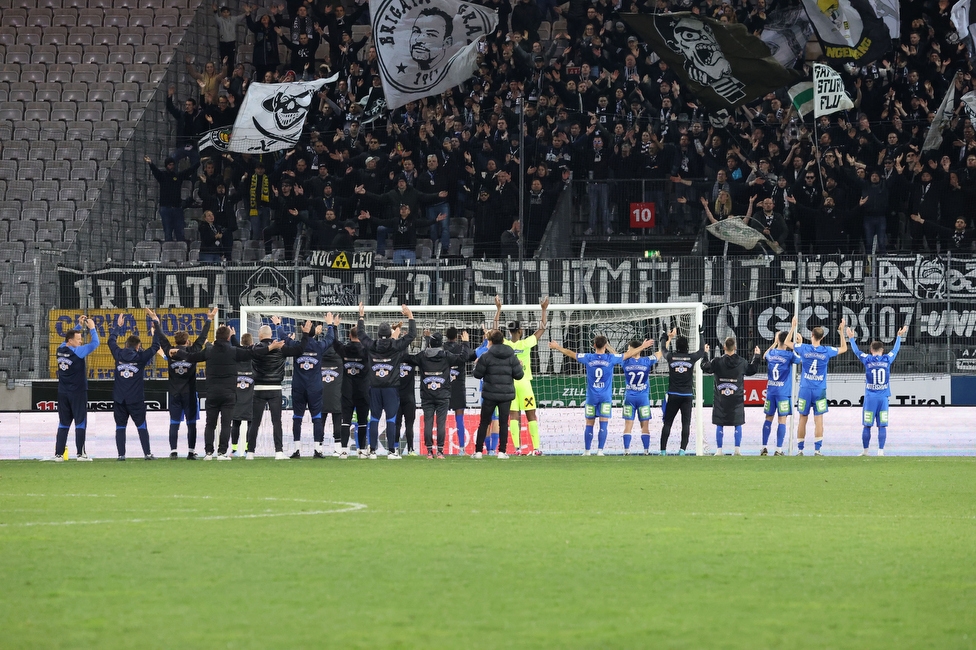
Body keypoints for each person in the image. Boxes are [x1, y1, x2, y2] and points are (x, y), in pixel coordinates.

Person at [173, 326, 283, 459]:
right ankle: (222, 452)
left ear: (216, 337)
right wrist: (270, 348)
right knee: (226, 424)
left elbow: (192, 357)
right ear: (228, 337)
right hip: (229, 394)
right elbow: (253, 353)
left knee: (210, 424)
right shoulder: (233, 351)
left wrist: (178, 352)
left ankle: (208, 453)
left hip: (212, 392)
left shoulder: (209, 351)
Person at [549, 335, 650, 455]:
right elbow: (628, 355)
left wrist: (557, 347)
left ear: (594, 345)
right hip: (605, 397)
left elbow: (571, 353)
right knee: (604, 423)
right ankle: (600, 451)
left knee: (589, 424)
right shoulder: (611, 358)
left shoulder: (588, 357)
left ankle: (587, 451)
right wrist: (643, 347)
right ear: (605, 346)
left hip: (591, 397)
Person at [149, 306, 215, 460]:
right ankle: (191, 452)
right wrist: (209, 319)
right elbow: (202, 337)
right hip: (189, 393)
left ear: (175, 341)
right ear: (187, 341)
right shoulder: (192, 351)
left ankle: (173, 451)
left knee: (174, 423)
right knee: (191, 423)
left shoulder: (169, 351)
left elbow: (161, 338)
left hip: (174, 394)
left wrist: (156, 322)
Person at [357, 302, 417, 459]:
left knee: (375, 418)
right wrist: (410, 316)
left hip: (375, 387)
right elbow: (411, 335)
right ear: (390, 335)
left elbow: (361, 335)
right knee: (391, 418)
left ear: (377, 334)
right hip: (391, 387)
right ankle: (392, 451)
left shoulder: (371, 345)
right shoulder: (396, 346)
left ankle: (373, 451)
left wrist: (361, 316)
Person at [493, 295, 549, 455]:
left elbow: (495, 330)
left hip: (509, 385)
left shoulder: (505, 343)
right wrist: (544, 310)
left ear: (509, 331)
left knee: (514, 416)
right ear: (520, 330)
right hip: (524, 383)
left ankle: (517, 449)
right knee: (531, 414)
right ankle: (536, 448)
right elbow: (542, 329)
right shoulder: (526, 343)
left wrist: (498, 309)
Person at [249, 319, 311, 459]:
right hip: (275, 388)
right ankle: (279, 452)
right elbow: (299, 350)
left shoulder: (255, 348)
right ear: (271, 335)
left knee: (255, 422)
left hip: (258, 389)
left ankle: (250, 452)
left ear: (259, 336)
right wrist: (305, 334)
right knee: (276, 421)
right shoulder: (280, 348)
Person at [44, 315, 100, 462]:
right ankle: (81, 454)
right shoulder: (78, 352)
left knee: (63, 423)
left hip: (63, 392)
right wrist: (92, 328)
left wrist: (78, 326)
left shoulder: (60, 349)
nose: (80, 341)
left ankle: (58, 454)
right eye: (78, 339)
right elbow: (95, 343)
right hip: (78, 392)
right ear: (71, 341)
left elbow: (66, 340)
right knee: (80, 422)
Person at [848, 324, 908, 456]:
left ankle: (865, 451)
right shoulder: (887, 359)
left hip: (870, 398)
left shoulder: (867, 359)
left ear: (870, 350)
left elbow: (857, 352)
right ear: (882, 350)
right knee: (882, 425)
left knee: (867, 425)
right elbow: (896, 350)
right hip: (883, 399)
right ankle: (880, 451)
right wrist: (899, 337)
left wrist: (851, 339)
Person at [108, 313, 162, 460]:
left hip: (119, 399)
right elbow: (156, 346)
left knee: (120, 427)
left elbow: (111, 341)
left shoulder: (118, 354)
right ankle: (147, 453)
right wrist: (156, 325)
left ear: (126, 345)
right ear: (138, 347)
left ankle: (121, 455)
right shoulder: (141, 357)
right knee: (141, 426)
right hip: (136, 399)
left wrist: (118, 326)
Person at [409, 331, 468, 458]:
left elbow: (409, 359)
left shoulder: (422, 356)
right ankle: (440, 451)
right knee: (441, 422)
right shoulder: (446, 355)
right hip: (443, 394)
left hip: (427, 394)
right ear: (441, 343)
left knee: (428, 422)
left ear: (430, 343)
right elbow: (463, 358)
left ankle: (429, 451)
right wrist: (465, 343)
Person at [793, 320, 848, 456]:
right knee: (819, 420)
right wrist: (841, 332)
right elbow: (844, 348)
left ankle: (800, 449)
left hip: (805, 388)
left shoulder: (804, 348)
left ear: (811, 335)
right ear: (822, 337)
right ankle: (817, 450)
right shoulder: (827, 350)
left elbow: (789, 344)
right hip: (819, 390)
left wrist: (794, 330)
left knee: (802, 419)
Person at [701, 337, 762, 456]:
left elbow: (704, 366)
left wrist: (705, 354)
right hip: (737, 399)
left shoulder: (717, 361)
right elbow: (752, 369)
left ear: (724, 347)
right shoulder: (742, 362)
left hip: (721, 398)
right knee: (737, 423)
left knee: (720, 423)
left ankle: (719, 450)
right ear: (735, 347)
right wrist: (757, 356)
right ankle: (737, 450)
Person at [286, 316, 336, 458]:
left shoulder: (296, 345)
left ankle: (296, 449)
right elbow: (330, 339)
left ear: (303, 330)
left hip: (299, 387)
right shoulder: (319, 346)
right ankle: (317, 449)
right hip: (315, 387)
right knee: (317, 418)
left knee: (297, 417)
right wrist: (330, 325)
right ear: (315, 333)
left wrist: (278, 325)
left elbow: (284, 338)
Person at [472, 329, 524, 459]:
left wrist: (477, 365)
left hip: (489, 394)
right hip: (505, 395)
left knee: (484, 422)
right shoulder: (511, 356)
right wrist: (519, 366)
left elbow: (477, 375)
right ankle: (502, 452)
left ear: (491, 341)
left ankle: (478, 452)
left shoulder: (486, 356)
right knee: (503, 423)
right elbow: (519, 375)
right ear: (503, 340)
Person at [657, 327, 706, 455]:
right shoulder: (691, 358)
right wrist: (701, 334)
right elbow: (702, 351)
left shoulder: (671, 357)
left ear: (677, 346)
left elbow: (663, 349)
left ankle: (663, 451)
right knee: (686, 424)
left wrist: (664, 336)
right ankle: (682, 450)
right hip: (687, 395)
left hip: (673, 394)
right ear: (687, 347)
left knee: (668, 423)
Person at [333, 317, 370, 458]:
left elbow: (334, 342)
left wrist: (334, 327)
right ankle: (361, 450)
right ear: (361, 336)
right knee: (362, 422)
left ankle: (343, 450)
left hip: (347, 390)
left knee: (346, 421)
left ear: (349, 335)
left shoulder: (344, 350)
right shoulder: (366, 351)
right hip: (363, 391)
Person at [760, 317, 797, 456]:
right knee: (782, 419)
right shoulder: (789, 355)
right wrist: (797, 343)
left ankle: (763, 447)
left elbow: (764, 356)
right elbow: (800, 359)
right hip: (783, 393)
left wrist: (774, 344)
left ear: (778, 340)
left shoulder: (772, 353)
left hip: (771, 392)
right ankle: (779, 449)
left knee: (768, 418)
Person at [145, 155, 199, 242]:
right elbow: (155, 171)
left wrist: (199, 162)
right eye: (170, 165)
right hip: (166, 209)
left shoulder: (178, 176)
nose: (171, 166)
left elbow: (190, 170)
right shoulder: (162, 176)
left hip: (177, 209)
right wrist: (150, 163)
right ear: (166, 166)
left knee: (180, 232)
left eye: (173, 164)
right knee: (168, 232)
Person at [621, 338, 658, 455]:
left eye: (628, 349)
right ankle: (646, 451)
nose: (627, 351)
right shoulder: (647, 361)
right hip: (643, 398)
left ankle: (626, 451)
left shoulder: (625, 362)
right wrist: (667, 340)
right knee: (645, 426)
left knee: (628, 425)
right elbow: (660, 353)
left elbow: (615, 355)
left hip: (629, 398)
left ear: (632, 349)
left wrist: (607, 347)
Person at [443, 327, 477, 454]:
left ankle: (440, 448)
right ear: (457, 337)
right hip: (459, 386)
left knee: (442, 418)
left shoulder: (442, 349)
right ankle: (462, 449)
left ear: (446, 336)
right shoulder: (462, 348)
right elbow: (473, 356)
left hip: (444, 387)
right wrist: (466, 343)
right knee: (459, 419)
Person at [319, 332, 345, 457]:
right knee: (337, 422)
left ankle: (318, 447)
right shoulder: (341, 358)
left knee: (320, 422)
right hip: (337, 394)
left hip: (321, 395)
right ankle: (338, 448)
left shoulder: (319, 356)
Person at [230, 331, 255, 456]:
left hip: (237, 396)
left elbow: (236, 348)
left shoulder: (236, 356)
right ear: (252, 343)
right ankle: (247, 449)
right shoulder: (254, 356)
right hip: (250, 395)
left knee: (235, 422)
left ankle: (234, 449)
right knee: (251, 423)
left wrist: (233, 337)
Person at [395, 335, 419, 456]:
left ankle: (394, 448)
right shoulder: (412, 360)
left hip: (397, 397)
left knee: (397, 424)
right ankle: (411, 449)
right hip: (409, 397)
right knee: (409, 425)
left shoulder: (394, 360)